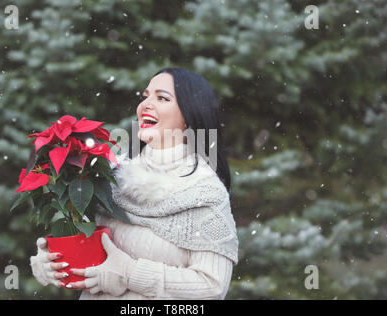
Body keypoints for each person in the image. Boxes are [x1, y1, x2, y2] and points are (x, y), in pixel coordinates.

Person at [30, 67, 239, 299]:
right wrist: (52, 263)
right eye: (145, 96)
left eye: (162, 98)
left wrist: (130, 273)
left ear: (190, 116)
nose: (146, 105)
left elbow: (212, 287)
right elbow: (82, 243)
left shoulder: (203, 193)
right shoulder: (109, 176)